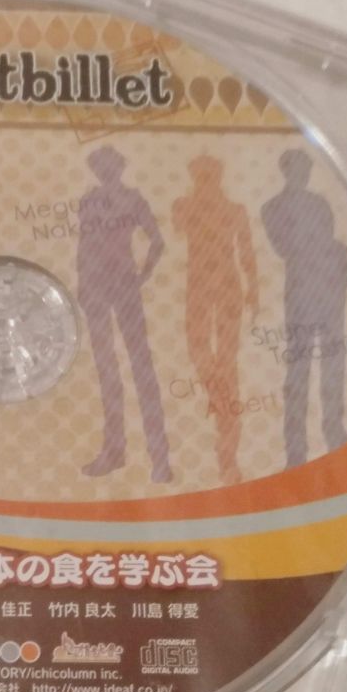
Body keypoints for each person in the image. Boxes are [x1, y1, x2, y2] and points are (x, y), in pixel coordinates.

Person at [76, 145, 172, 483]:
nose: (105, 170)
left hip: (124, 285)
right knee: (107, 369)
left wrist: (143, 274)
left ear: (119, 166)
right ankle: (114, 451)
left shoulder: (134, 198)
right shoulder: (88, 200)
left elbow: (157, 241)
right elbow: (83, 244)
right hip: (95, 287)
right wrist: (82, 283)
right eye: (99, 165)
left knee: (141, 366)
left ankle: (160, 459)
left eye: (110, 164)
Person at [260, 149, 347, 467]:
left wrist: (335, 263)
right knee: (299, 369)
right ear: (286, 170)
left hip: (330, 288)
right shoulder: (272, 207)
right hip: (301, 291)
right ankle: (295, 449)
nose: (303, 173)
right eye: (297, 167)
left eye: (306, 168)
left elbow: (327, 238)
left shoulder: (320, 203)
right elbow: (284, 247)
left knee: (333, 363)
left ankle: (335, 434)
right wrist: (318, 248)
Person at [172, 157, 259, 484]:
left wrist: (254, 290)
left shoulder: (235, 210)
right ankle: (221, 401)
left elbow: (246, 251)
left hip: (227, 287)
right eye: (200, 177)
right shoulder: (184, 205)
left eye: (210, 176)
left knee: (227, 361)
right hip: (199, 287)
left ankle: (227, 455)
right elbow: (178, 226)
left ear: (219, 177)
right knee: (200, 353)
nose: (205, 182)